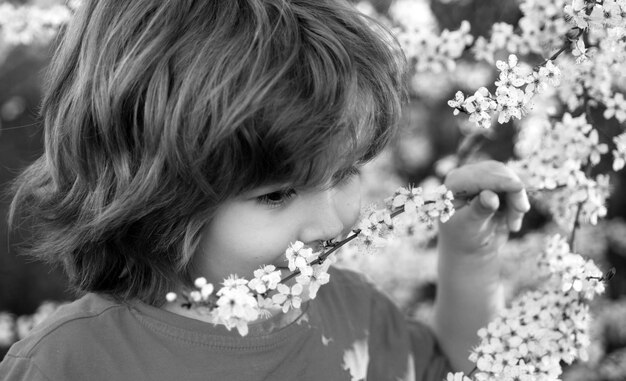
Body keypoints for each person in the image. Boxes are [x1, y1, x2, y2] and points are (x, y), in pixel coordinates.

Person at [0, 0, 530, 380]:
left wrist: (469, 258)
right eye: (277, 195)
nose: (332, 224)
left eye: (345, 173)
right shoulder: (65, 363)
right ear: (153, 200)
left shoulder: (350, 309)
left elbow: (465, 367)